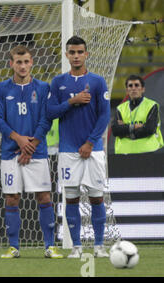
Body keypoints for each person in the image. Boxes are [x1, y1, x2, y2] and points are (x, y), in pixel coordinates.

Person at [0, 45, 63, 259]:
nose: (22, 66)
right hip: (10, 153)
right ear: (11, 64)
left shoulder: (43, 88)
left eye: (26, 62)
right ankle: (14, 247)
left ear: (32, 62)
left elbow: (47, 118)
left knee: (44, 197)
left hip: (37, 153)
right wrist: (19, 139)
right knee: (11, 198)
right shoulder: (2, 89)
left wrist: (31, 145)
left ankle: (49, 246)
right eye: (18, 62)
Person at [46, 36, 111, 258]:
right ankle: (76, 247)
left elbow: (105, 115)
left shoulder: (97, 81)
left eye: (79, 52)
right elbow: (50, 112)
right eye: (72, 52)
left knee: (96, 197)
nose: (76, 56)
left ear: (86, 54)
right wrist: (72, 102)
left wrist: (91, 142)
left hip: (92, 150)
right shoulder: (58, 82)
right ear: (66, 55)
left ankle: (99, 246)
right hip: (68, 150)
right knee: (71, 197)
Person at [111, 74, 163, 154]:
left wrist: (125, 130)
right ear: (127, 90)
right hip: (124, 153)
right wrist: (134, 127)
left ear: (143, 89)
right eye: (130, 86)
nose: (133, 88)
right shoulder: (120, 108)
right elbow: (116, 130)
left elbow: (149, 129)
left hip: (148, 152)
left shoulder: (152, 105)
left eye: (137, 85)